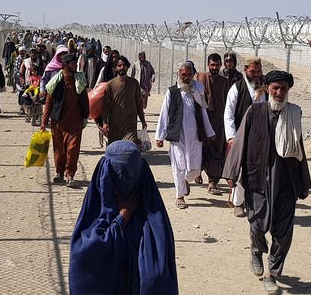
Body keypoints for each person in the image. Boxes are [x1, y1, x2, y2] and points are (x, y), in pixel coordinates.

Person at [223, 70, 311, 295]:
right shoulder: (255, 111)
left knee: (283, 232)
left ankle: (272, 273)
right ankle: (256, 248)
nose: (279, 93)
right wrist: (232, 174)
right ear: (267, 89)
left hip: (286, 182)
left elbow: (298, 147)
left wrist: (303, 182)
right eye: (275, 88)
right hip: (257, 178)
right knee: (256, 224)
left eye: (283, 89)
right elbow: (240, 142)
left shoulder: (294, 113)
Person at [69, 140, 178, 294]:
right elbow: (83, 258)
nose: (125, 179)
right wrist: (121, 219)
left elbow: (159, 277)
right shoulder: (95, 211)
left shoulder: (153, 216)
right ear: (106, 174)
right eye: (119, 173)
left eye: (130, 173)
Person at [155, 62, 215, 209]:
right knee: (178, 165)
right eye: (183, 75)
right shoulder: (172, 92)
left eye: (189, 75)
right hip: (178, 135)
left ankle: (186, 181)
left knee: (194, 168)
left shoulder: (198, 90)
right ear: (178, 75)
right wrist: (160, 136)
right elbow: (164, 114)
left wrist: (209, 131)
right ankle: (180, 195)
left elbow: (203, 111)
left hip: (195, 135)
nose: (186, 78)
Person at [224, 56, 265, 217]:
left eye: (259, 71)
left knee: (260, 170)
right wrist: (231, 137)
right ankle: (238, 203)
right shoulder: (237, 88)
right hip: (241, 137)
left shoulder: (265, 88)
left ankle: (255, 203)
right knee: (241, 171)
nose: (256, 74)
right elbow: (229, 114)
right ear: (246, 70)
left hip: (262, 137)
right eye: (253, 71)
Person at [41, 53, 89, 188]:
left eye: (76, 63)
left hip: (75, 122)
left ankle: (70, 175)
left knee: (73, 149)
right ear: (66, 65)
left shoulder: (79, 81)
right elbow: (49, 103)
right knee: (59, 150)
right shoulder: (55, 82)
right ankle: (59, 173)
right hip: (58, 122)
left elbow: (85, 100)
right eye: (73, 63)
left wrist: (85, 116)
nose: (76, 65)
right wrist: (44, 121)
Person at [197, 53, 229, 195]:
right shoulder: (200, 78)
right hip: (203, 121)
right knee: (200, 149)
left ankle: (212, 182)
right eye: (212, 65)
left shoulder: (224, 81)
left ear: (221, 65)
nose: (215, 68)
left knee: (216, 152)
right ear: (208, 64)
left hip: (218, 122)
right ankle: (197, 172)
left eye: (217, 65)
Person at [101, 55, 147, 144]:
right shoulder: (110, 85)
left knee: (130, 146)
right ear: (115, 68)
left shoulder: (134, 84)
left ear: (127, 67)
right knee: (116, 149)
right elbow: (105, 106)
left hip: (130, 124)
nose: (122, 67)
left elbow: (139, 104)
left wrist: (143, 121)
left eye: (124, 65)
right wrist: (104, 123)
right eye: (119, 65)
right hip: (115, 125)